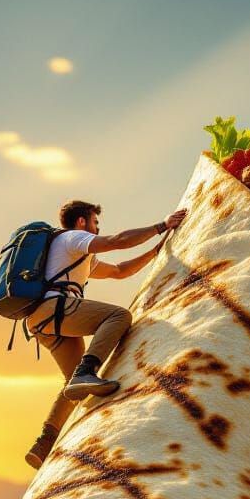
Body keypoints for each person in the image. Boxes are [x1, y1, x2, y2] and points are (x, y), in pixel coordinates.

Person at [24, 199, 187, 469]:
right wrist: (162, 225)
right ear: (81, 221)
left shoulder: (75, 256)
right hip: (56, 307)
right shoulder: (74, 239)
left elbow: (120, 271)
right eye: (95, 223)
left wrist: (156, 251)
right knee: (119, 316)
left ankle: (44, 443)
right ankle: (89, 368)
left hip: (41, 320)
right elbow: (117, 241)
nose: (97, 229)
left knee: (72, 383)